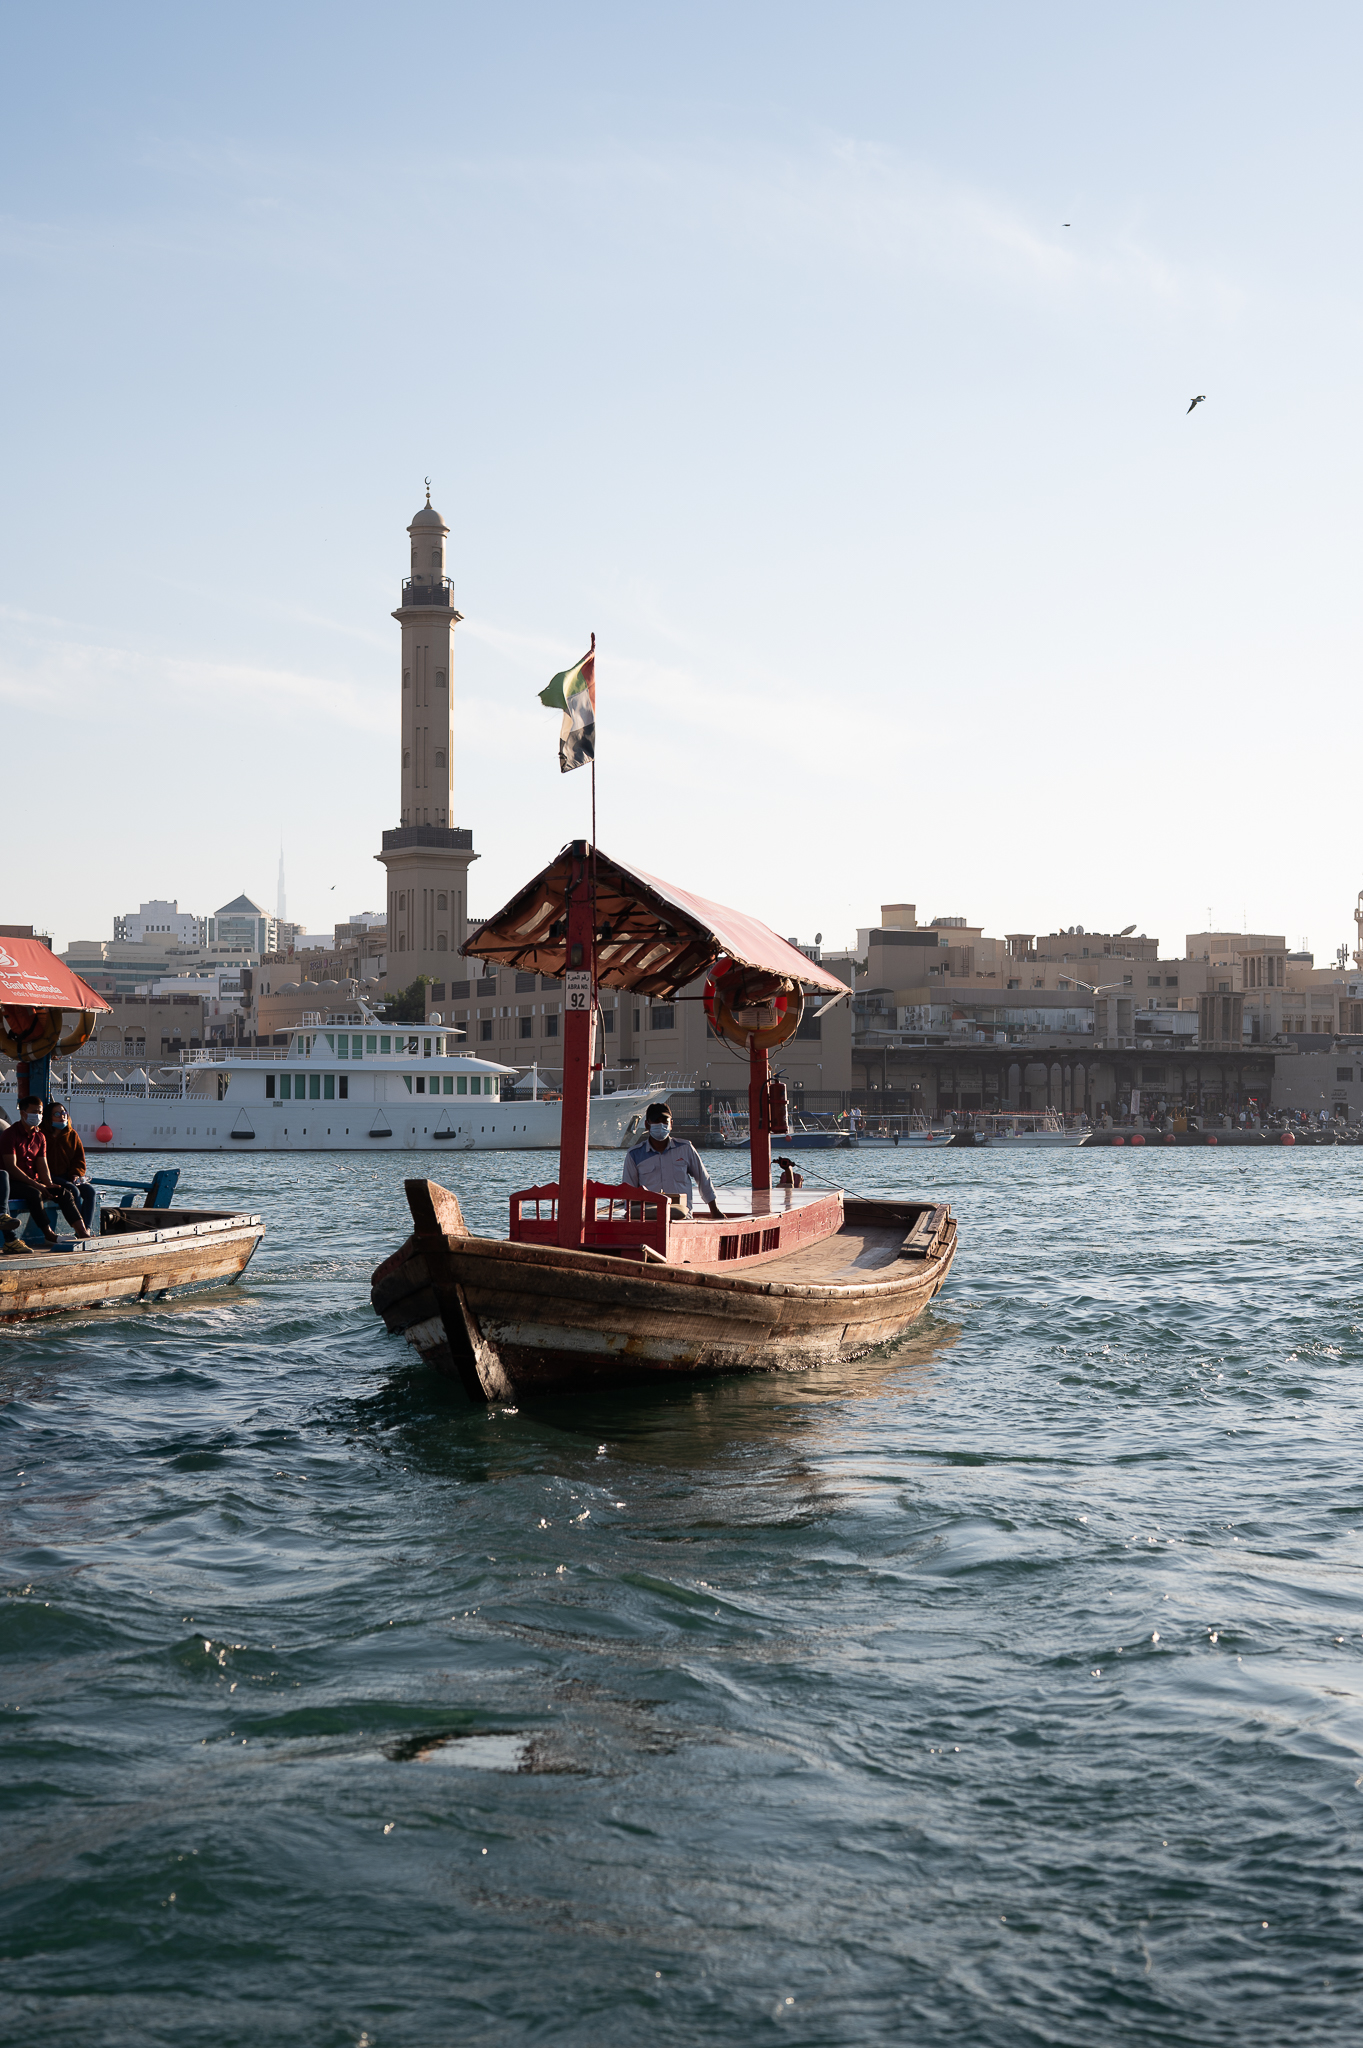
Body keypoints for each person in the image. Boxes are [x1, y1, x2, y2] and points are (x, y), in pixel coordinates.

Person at [0, 1097, 91, 1249]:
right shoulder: (10, 1134)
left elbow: (42, 1164)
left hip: (33, 1182)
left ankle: (82, 1232)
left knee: (63, 1192)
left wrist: (48, 1184)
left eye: (40, 1112)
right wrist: (38, 1185)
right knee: (34, 1194)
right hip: (12, 1182)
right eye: (34, 1112)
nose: (38, 1115)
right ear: (23, 1113)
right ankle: (49, 1234)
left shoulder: (40, 1136)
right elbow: (11, 1167)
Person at [622, 1102, 725, 1218]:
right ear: (647, 1125)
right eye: (656, 1121)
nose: (661, 1125)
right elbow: (628, 1190)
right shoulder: (634, 1154)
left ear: (671, 1124)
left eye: (665, 1121)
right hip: (648, 1218)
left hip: (682, 1217)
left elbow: (703, 1180)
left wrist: (714, 1210)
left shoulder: (685, 1148)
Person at [42, 1100, 96, 1232]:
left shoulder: (72, 1135)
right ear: (49, 1117)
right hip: (50, 1177)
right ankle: (80, 1229)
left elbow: (79, 1159)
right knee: (73, 1191)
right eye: (57, 1113)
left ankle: (87, 1228)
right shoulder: (42, 1135)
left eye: (64, 1112)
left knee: (90, 1192)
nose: (62, 1116)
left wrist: (76, 1174)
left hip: (68, 1176)